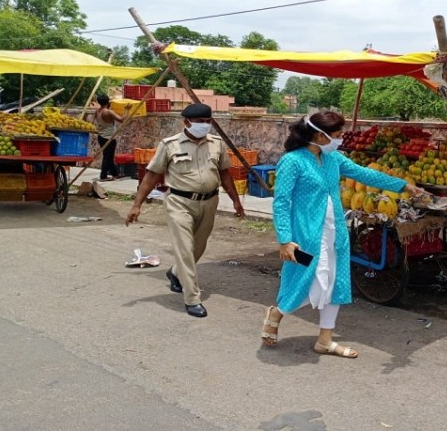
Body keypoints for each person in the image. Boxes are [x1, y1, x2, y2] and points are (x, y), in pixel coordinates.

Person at [261, 111, 426, 358]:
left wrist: (403, 185)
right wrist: (284, 239)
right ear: (320, 135)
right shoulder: (292, 162)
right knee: (305, 281)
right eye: (337, 135)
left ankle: (325, 341)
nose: (340, 140)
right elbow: (281, 202)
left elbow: (365, 174)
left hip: (335, 234)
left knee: (334, 285)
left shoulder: (333, 160)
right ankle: (277, 313)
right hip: (305, 238)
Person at [125, 103, 245, 318]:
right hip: (179, 202)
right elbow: (151, 176)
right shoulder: (169, 145)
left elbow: (225, 173)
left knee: (199, 247)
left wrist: (236, 201)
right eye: (200, 122)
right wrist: (137, 205)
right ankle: (192, 298)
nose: (204, 126)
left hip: (209, 201)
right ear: (186, 122)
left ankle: (174, 273)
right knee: (185, 249)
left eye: (208, 122)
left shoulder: (216, 144)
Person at [94, 95, 123, 181]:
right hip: (109, 138)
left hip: (101, 137)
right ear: (108, 102)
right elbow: (121, 120)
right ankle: (103, 176)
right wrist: (128, 110)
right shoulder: (108, 112)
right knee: (107, 157)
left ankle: (115, 173)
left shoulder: (97, 111)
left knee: (109, 157)